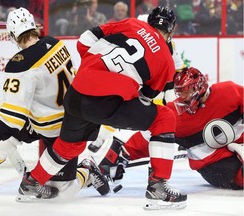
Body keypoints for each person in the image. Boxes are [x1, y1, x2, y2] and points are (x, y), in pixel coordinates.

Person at [12, 6, 187, 209]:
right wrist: (122, 86)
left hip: (77, 91)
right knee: (164, 118)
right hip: (105, 103)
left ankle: (31, 183)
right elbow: (146, 97)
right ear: (171, 30)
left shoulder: (132, 23)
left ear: (149, 21)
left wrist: (93, 69)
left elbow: (85, 40)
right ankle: (158, 186)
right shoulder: (166, 58)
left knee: (70, 146)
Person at [0, 7, 109, 199]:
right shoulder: (55, 43)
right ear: (34, 26)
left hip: (65, 129)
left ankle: (87, 170)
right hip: (46, 120)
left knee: (61, 193)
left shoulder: (21, 64)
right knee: (7, 140)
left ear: (13, 35)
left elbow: (11, 117)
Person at [105, 67, 243, 190]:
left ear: (199, 87)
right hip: (212, 164)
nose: (182, 98)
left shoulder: (228, 92)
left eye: (186, 92)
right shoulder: (174, 113)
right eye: (179, 93)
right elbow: (148, 137)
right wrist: (122, 155)